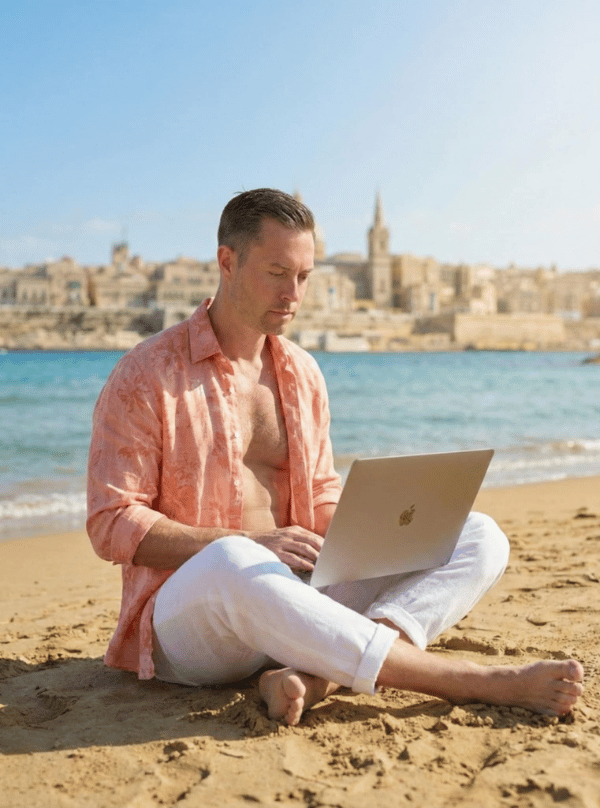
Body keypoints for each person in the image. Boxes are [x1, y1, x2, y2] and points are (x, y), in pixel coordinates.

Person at [87, 188, 583, 726]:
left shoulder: (303, 373)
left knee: (479, 535)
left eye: (304, 276)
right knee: (232, 559)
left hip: (299, 597)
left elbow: (319, 491)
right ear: (227, 262)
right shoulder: (147, 373)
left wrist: (374, 533)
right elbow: (111, 523)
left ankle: (316, 678)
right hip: (194, 622)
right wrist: (250, 542)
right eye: (278, 273)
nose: (293, 294)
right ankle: (468, 680)